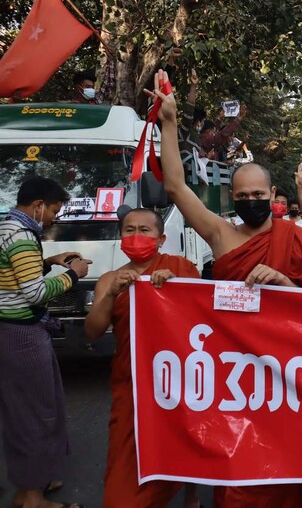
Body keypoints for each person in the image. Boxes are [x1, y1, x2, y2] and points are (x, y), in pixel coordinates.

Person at [148, 69, 302, 507]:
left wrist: (286, 283)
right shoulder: (220, 234)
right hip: (234, 370)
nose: (250, 201)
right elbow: (174, 185)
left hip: (290, 372)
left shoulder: (300, 241)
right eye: (242, 195)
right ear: (234, 196)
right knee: (238, 470)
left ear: (272, 194)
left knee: (289, 467)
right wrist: (168, 122)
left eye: (257, 194)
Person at [84, 208, 201, 508]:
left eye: (144, 231)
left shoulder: (180, 269)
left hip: (176, 379)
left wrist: (176, 288)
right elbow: (94, 331)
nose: (136, 237)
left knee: (186, 442)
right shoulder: (110, 279)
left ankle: (191, 493)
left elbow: (203, 322)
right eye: (129, 230)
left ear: (161, 238)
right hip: (132, 383)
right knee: (122, 480)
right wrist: (110, 293)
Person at [0, 177, 91, 508]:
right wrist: (73, 274)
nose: (54, 218)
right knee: (35, 414)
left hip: (13, 331)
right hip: (22, 335)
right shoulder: (23, 236)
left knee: (35, 407)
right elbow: (35, 292)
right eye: (53, 210)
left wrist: (50, 262)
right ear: (38, 206)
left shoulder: (7, 227)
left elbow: (11, 273)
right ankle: (31, 497)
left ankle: (35, 479)